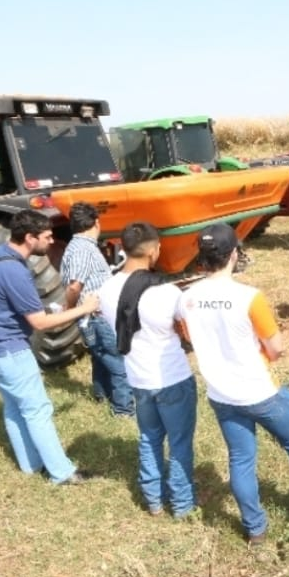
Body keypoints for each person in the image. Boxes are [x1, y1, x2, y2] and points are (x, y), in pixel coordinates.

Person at [179, 223, 289, 544]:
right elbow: (276, 349)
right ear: (234, 254)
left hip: (222, 396)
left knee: (241, 459)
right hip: (260, 392)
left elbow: (189, 336)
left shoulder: (186, 299)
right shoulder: (249, 297)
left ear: (202, 258)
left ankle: (255, 528)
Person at [0, 209, 101, 485]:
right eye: (47, 237)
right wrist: (84, 308)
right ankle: (62, 473)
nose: (51, 241)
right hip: (6, 349)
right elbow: (40, 323)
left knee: (15, 405)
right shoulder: (15, 272)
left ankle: (30, 465)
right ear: (29, 238)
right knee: (37, 408)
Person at [97, 222, 198, 519]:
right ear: (154, 250)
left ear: (122, 247)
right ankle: (182, 504)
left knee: (149, 438)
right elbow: (187, 330)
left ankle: (153, 500)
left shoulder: (105, 290)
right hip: (172, 378)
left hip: (138, 379)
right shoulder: (166, 292)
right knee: (179, 443)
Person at [59, 202, 134, 418]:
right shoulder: (83, 249)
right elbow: (75, 285)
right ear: (97, 223)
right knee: (118, 360)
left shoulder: (76, 247)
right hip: (96, 316)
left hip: (90, 316)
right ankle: (123, 410)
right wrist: (71, 308)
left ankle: (102, 396)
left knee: (100, 356)